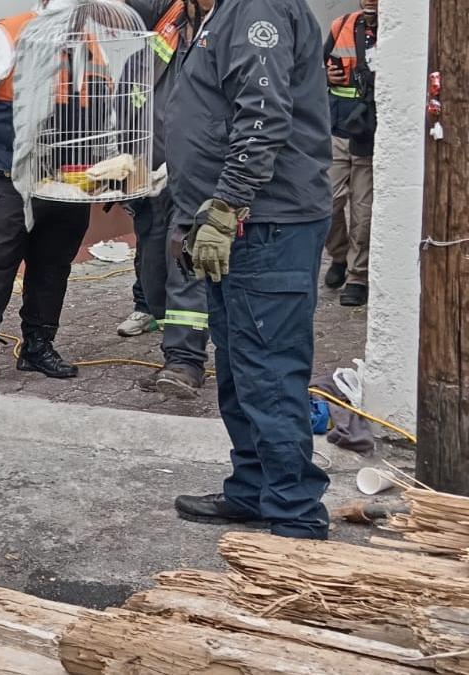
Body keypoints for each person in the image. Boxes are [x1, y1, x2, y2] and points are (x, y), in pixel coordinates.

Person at [166, 0, 333, 539]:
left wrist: (224, 206)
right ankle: (256, 489)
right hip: (237, 224)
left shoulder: (254, 7)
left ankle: (295, 516)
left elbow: (262, 118)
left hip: (265, 224)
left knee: (269, 370)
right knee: (240, 367)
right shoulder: (214, 14)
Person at [0, 0, 92, 389]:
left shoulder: (95, 42)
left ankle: (38, 346)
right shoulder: (6, 35)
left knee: (52, 267)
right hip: (8, 174)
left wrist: (109, 170)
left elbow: (105, 110)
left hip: (68, 180)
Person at [123, 0, 213, 398]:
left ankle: (185, 361)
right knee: (155, 274)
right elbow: (134, 96)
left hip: (200, 175)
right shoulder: (165, 23)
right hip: (152, 174)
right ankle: (172, 346)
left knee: (185, 265)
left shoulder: (230, 22)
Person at [322, 0, 378, 307]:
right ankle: (339, 257)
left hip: (370, 136)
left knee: (363, 211)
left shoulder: (395, 32)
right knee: (327, 202)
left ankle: (358, 276)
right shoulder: (341, 26)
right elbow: (312, 69)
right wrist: (327, 77)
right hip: (338, 130)